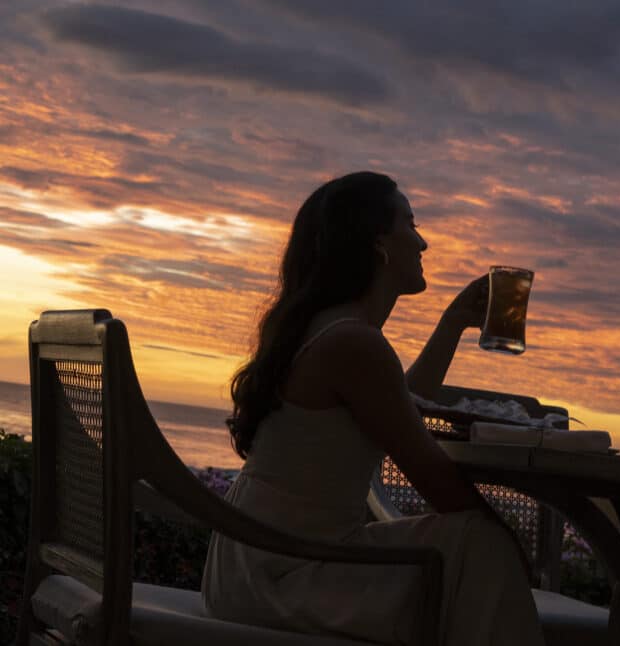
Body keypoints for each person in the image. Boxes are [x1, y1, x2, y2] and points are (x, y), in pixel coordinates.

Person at [201, 172, 545, 645]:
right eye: (411, 222)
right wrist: (512, 546)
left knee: (474, 548)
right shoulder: (353, 343)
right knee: (481, 543)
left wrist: (452, 324)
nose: (423, 242)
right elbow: (434, 479)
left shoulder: (328, 330)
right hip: (285, 578)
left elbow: (393, 401)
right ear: (378, 241)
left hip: (261, 562)